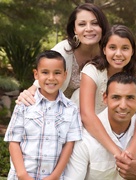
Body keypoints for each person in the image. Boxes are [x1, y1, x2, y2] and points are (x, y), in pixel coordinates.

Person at [64, 72, 136, 180]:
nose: (123, 106)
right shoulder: (85, 136)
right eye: (116, 97)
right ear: (105, 98)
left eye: (130, 98)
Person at [4, 50, 82, 180]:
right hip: (22, 176)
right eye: (45, 72)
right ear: (36, 74)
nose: (51, 78)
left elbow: (69, 145)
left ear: (64, 75)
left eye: (57, 73)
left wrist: (55, 176)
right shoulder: (24, 104)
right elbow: (14, 141)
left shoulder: (71, 108)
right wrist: (22, 174)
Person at [78, 24, 136, 157]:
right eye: (112, 48)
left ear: (132, 51)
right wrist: (117, 152)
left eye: (125, 48)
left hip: (120, 127)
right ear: (104, 49)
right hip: (89, 130)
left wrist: (131, 151)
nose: (118, 54)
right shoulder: (91, 71)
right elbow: (87, 115)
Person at [16, 3, 109, 103]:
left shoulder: (110, 52)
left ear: (102, 27)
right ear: (75, 30)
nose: (89, 29)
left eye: (95, 23)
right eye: (82, 24)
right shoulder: (63, 50)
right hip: (57, 111)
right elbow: (39, 84)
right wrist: (26, 96)